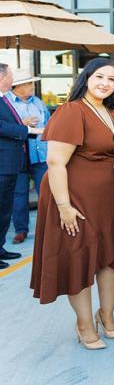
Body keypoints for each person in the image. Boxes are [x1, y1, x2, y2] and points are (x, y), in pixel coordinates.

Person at [30, 58, 114, 349]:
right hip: (74, 198)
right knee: (79, 258)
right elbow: (55, 162)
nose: (105, 83)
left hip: (108, 200)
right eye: (99, 77)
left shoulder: (111, 112)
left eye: (111, 79)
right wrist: (64, 206)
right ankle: (85, 324)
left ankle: (107, 315)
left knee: (111, 258)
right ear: (86, 78)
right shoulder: (72, 110)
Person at [1, 64, 42, 269]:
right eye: (10, 76)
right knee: (2, 207)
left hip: (13, 161)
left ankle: (0, 249)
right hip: (4, 163)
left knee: (4, 208)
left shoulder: (4, 99)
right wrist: (28, 130)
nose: (12, 79)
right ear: (2, 78)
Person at [8, 70, 49, 245]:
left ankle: (48, 228)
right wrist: (22, 125)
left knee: (46, 192)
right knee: (19, 194)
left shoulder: (38, 102)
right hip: (19, 155)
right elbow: (5, 128)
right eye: (29, 83)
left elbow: (48, 123)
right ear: (18, 86)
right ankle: (21, 230)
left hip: (41, 155)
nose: (32, 86)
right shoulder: (7, 103)